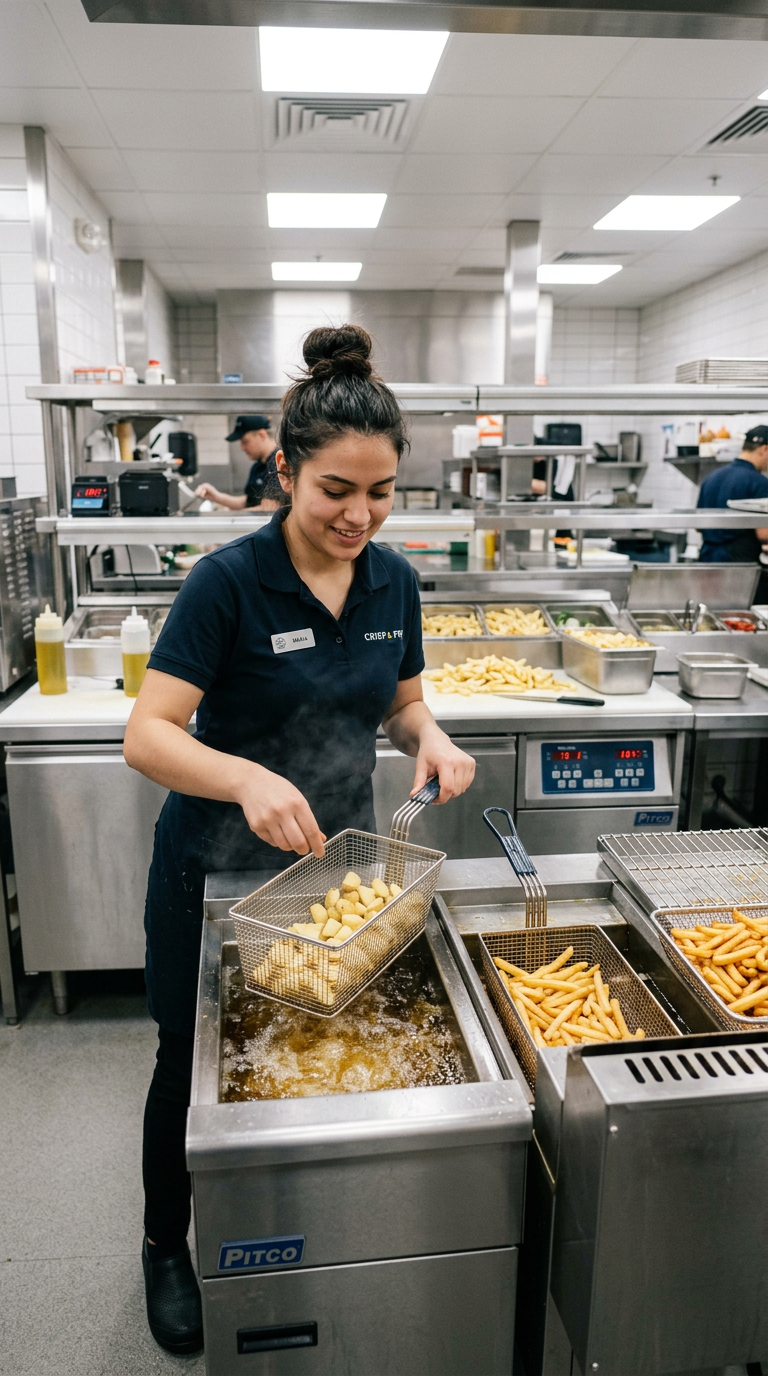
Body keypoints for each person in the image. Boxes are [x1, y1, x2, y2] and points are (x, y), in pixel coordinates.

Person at [123, 324, 476, 1356]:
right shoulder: (225, 583)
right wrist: (245, 777)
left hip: (335, 872)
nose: (358, 515)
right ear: (283, 470)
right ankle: (164, 1240)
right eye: (334, 490)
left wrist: (434, 737)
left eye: (380, 492)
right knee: (190, 1063)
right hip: (215, 872)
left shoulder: (393, 580)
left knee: (314, 1050)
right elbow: (149, 733)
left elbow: (405, 706)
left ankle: (296, 1226)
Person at [697, 425, 768, 563]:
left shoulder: (712, 477)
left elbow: (698, 525)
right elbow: (764, 533)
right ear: (764, 449)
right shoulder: (759, 482)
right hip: (738, 563)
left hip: (706, 559)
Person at [195, 413, 283, 510]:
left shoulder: (278, 463)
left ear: (262, 435)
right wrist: (216, 497)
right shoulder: (258, 466)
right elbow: (248, 502)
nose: (242, 448)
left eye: (245, 442)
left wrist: (229, 516)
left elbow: (269, 508)